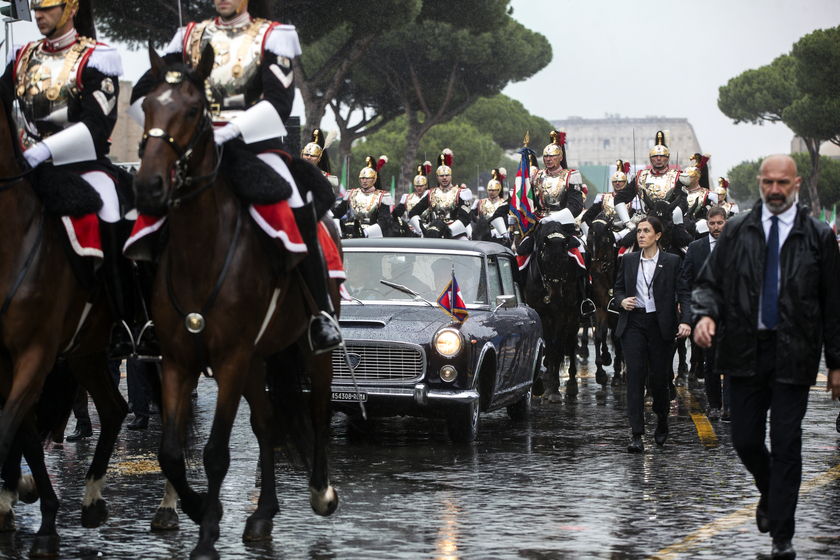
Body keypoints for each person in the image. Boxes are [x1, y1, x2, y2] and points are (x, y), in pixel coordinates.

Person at [129, 0, 341, 354]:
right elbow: (141, 97)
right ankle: (147, 321)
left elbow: (278, 103)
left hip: (253, 146)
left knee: (293, 200)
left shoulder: (272, 36)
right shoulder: (188, 36)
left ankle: (320, 314)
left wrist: (227, 132)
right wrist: (166, 137)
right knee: (144, 218)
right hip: (192, 151)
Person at [693, 154, 840, 560]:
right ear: (760, 183)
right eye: (768, 182)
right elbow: (708, 283)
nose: (775, 190)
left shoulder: (818, 236)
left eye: (783, 183)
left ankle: (782, 536)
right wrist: (705, 314)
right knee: (744, 439)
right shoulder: (738, 230)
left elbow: (833, 304)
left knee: (787, 441)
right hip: (743, 349)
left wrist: (837, 363)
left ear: (795, 185)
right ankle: (770, 488)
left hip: (795, 352)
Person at [0, 0, 137, 357]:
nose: (37, 14)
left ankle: (128, 320)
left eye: (46, 7)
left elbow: (96, 125)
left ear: (71, 7)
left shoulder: (97, 57)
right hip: (29, 168)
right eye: (34, 7)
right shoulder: (21, 56)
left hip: (84, 166)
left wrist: (44, 151)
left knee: (111, 213)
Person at [614, 216, 691, 453]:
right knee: (635, 376)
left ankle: (662, 418)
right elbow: (617, 289)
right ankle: (636, 434)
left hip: (661, 324)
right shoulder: (627, 260)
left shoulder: (672, 261)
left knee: (659, 380)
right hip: (634, 323)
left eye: (646, 231)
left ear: (657, 235)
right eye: (639, 231)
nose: (641, 235)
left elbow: (684, 294)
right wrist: (621, 300)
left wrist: (686, 321)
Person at [682, 206, 729, 419]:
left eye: (720, 223)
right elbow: (686, 280)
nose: (716, 227)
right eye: (712, 223)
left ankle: (729, 407)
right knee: (710, 362)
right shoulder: (695, 247)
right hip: (705, 313)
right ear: (707, 223)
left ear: (726, 223)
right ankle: (714, 405)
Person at [615, 130, 683, 226]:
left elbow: (682, 202)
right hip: (646, 221)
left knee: (687, 239)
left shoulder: (677, 177)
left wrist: (668, 216)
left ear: (667, 158)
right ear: (650, 159)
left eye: (662, 156)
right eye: (655, 156)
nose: (658, 159)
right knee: (624, 240)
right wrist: (627, 222)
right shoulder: (640, 177)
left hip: (670, 222)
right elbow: (619, 198)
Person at [408, 149, 473, 238]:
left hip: (454, 233)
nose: (444, 178)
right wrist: (422, 230)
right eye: (441, 176)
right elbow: (413, 212)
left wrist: (448, 231)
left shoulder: (460, 193)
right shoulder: (432, 193)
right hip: (434, 232)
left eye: (447, 175)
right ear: (437, 177)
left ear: (451, 176)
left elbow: (466, 217)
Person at [333, 155, 392, 238]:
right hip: (352, 232)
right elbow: (336, 214)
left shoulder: (382, 196)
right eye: (362, 178)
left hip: (372, 235)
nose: (364, 181)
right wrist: (339, 232)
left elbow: (385, 221)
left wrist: (365, 232)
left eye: (368, 178)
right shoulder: (352, 193)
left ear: (374, 179)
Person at [532, 131, 584, 219]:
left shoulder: (571, 176)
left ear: (561, 157)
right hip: (538, 220)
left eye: (552, 156)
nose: (548, 159)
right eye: (546, 156)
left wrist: (554, 219)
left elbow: (576, 206)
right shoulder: (536, 175)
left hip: (561, 222)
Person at [471, 168, 510, 239]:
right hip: (482, 234)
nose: (491, 192)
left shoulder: (503, 203)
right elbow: (473, 217)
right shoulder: (481, 202)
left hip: (499, 234)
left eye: (493, 190)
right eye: (489, 190)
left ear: (498, 190)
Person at [391, 162, 431, 228]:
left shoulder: (430, 196)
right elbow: (396, 214)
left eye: (421, 186)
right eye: (417, 186)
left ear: (426, 185)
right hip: (411, 230)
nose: (419, 188)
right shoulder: (407, 198)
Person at [680, 153, 717, 221]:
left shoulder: (708, 195)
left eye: (689, 177)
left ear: (697, 178)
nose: (686, 179)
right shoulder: (679, 192)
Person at [301, 128, 339, 192]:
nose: (309, 157)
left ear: (319, 158)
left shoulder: (326, 178)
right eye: (306, 154)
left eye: (313, 155)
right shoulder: (294, 173)